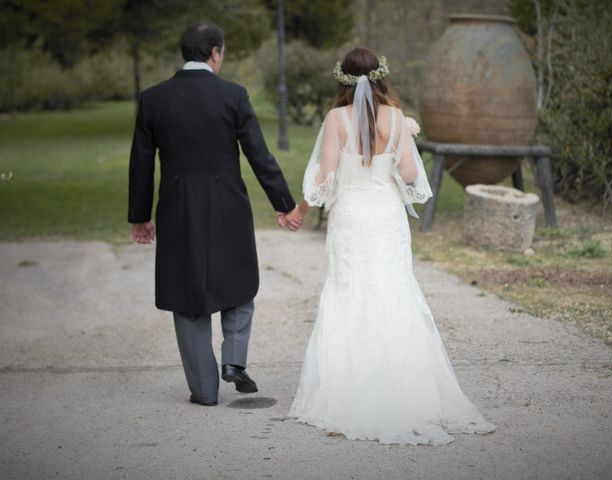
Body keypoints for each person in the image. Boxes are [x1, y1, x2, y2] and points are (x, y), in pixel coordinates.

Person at [286, 47, 497, 445]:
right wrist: (404, 140)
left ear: (343, 80)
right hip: (385, 218)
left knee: (349, 292)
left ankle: (347, 390)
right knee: (393, 291)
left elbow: (325, 178)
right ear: (382, 78)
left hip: (350, 219)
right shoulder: (396, 119)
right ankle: (407, 387)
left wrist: (300, 208)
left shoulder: (335, 119)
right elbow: (410, 176)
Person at [128, 21, 303, 407]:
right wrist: (284, 204)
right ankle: (234, 360)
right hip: (228, 204)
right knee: (239, 283)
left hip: (177, 209)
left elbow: (141, 162)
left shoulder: (153, 98)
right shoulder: (233, 96)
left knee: (186, 295)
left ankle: (204, 391)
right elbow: (260, 155)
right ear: (215, 53)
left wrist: (140, 216)